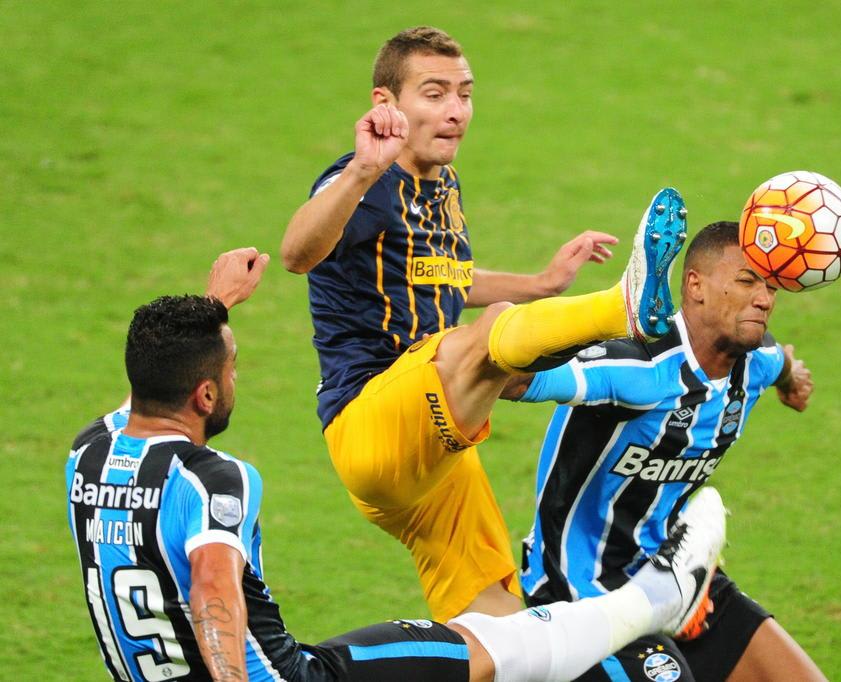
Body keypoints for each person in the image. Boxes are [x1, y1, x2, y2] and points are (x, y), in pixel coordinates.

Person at [65, 248, 727, 682]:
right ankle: (657, 597)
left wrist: (214, 312)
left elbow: (151, 376)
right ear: (205, 395)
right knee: (489, 648)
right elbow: (213, 591)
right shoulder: (212, 481)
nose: (238, 376)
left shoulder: (88, 453)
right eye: (231, 367)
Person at [281, 26, 689, 621]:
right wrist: (361, 172)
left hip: (435, 457)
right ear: (385, 104)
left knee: (500, 624)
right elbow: (297, 253)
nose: (455, 112)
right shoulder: (364, 183)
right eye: (435, 93)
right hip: (370, 420)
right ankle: (618, 309)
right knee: (493, 338)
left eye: (464, 94)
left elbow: (444, 276)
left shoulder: (442, 182)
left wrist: (542, 285)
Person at [505, 221, 826, 681]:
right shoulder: (636, 367)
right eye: (747, 281)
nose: (765, 298)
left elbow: (781, 362)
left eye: (771, 286)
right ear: (694, 285)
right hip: (584, 595)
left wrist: (793, 381)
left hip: (676, 570)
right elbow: (520, 379)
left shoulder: (756, 362)